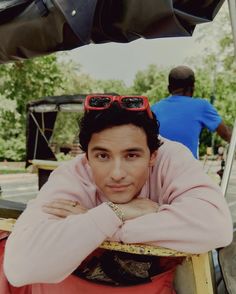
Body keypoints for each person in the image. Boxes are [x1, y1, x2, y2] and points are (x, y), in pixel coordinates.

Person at [3, 95, 232, 291]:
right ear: (87, 157)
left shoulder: (170, 157)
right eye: (102, 156)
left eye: (131, 155)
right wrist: (116, 212)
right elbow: (20, 267)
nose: (117, 173)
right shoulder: (73, 173)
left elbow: (216, 227)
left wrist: (99, 223)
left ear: (153, 155)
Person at [151, 65, 232, 158]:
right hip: (187, 170)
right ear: (192, 88)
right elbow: (226, 134)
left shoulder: (154, 108)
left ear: (169, 88)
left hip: (157, 170)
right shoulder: (201, 106)